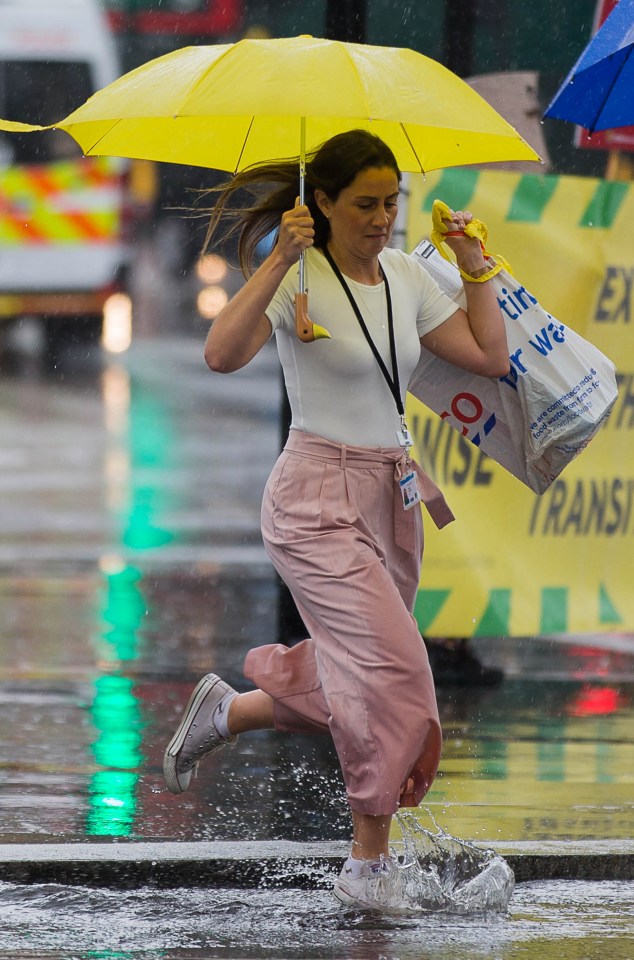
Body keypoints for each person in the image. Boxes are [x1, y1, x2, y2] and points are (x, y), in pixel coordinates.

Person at [163, 130, 510, 913]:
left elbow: (489, 355)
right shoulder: (300, 276)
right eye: (363, 204)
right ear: (320, 202)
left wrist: (475, 265)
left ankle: (230, 710)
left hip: (391, 497)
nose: (381, 218)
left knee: (359, 669)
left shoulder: (407, 277)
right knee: (398, 673)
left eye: (390, 202)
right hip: (314, 501)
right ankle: (367, 866)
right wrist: (280, 259)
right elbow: (221, 354)